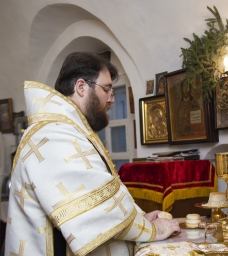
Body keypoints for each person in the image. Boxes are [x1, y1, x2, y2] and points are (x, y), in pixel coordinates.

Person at [5, 52, 180, 256]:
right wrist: (154, 229)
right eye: (107, 89)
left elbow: (103, 198)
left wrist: (140, 220)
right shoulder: (52, 135)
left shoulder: (69, 129)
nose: (111, 99)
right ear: (81, 87)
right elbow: (95, 210)